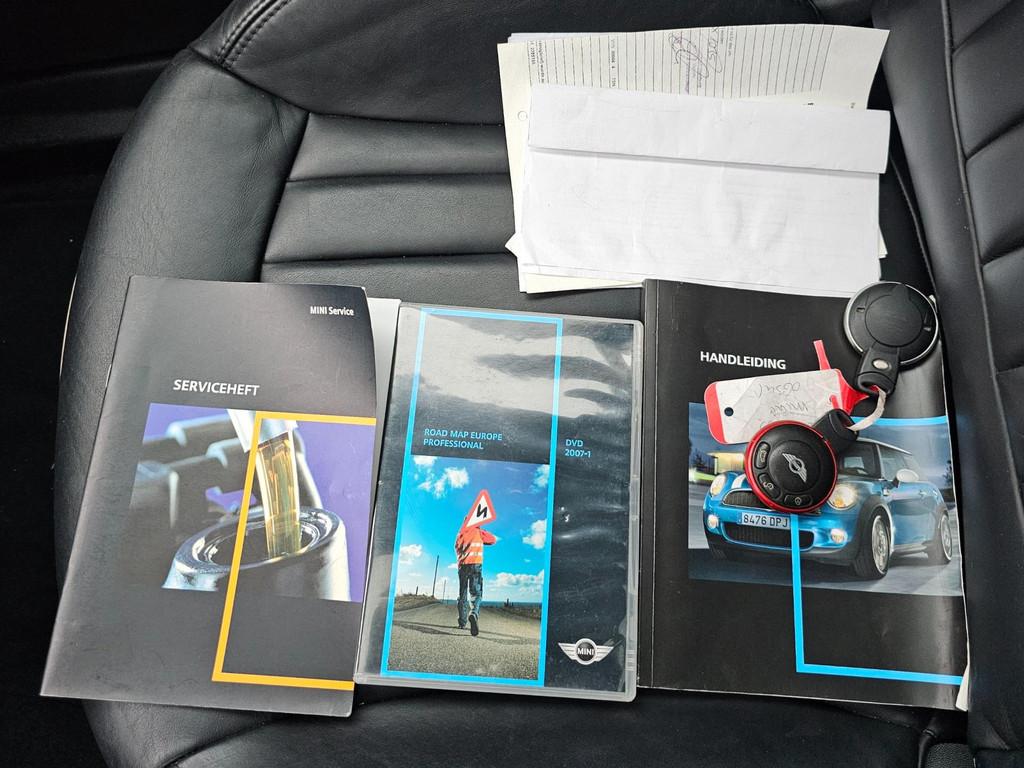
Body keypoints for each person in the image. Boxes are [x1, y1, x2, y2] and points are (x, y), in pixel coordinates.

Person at [454, 524, 496, 636]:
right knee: (476, 593)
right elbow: (492, 540)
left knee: (462, 594)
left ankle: (462, 622)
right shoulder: (478, 532)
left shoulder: (460, 534)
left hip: (462, 566)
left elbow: (456, 548)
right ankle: (473, 613)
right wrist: (481, 530)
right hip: (476, 565)